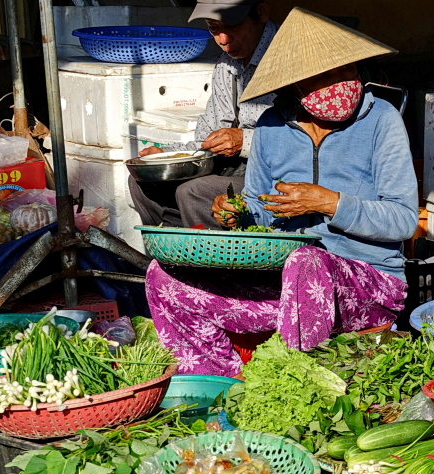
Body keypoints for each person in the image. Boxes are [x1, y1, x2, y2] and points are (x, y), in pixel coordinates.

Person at [145, 9, 417, 377]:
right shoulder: (272, 127)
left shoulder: (382, 120)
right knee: (164, 277)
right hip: (283, 281)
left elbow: (402, 220)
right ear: (295, 84)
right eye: (326, 76)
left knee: (307, 262)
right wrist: (239, 213)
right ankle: (222, 383)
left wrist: (330, 203)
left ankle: (296, 383)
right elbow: (259, 206)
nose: (343, 83)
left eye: (348, 70)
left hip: (368, 285)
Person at [128, 0, 278, 229]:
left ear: (262, 11)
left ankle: (210, 264)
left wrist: (245, 141)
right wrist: (169, 157)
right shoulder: (227, 64)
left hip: (276, 178)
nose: (223, 40)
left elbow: (304, 144)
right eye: (214, 28)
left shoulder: (286, 58)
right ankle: (173, 258)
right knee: (143, 182)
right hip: (234, 169)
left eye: (233, 26)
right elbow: (206, 140)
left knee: (195, 192)